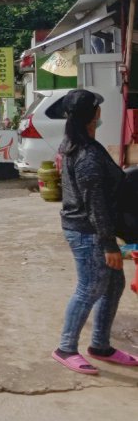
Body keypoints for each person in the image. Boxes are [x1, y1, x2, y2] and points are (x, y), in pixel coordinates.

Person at [50, 89, 138, 374]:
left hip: (95, 229)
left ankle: (100, 345)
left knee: (113, 285)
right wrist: (109, 245)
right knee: (89, 287)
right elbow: (95, 205)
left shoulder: (83, 143)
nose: (101, 112)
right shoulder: (86, 154)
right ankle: (65, 348)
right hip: (87, 232)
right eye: (97, 108)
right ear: (93, 115)